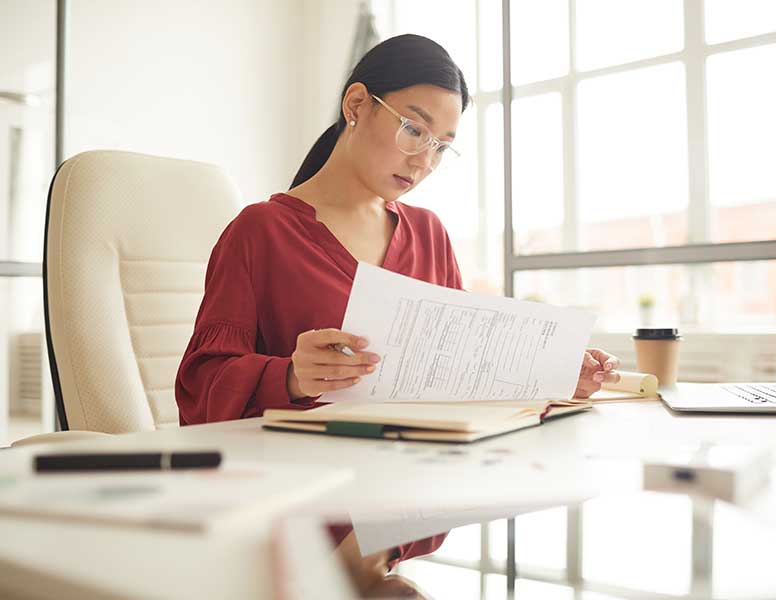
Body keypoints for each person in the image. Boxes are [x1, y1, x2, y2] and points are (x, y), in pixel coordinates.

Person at [175, 33, 619, 592]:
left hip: (410, 496)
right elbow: (200, 387)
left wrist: (555, 375)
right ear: (357, 105)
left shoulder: (429, 234)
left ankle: (361, 572)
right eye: (413, 129)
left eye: (441, 146)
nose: (424, 160)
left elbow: (467, 371)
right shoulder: (259, 232)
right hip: (302, 495)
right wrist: (287, 374)